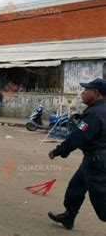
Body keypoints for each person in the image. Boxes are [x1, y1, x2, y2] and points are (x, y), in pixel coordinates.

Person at [47, 78, 106, 230]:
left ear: (96, 92)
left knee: (102, 202)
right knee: (76, 187)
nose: (82, 93)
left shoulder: (93, 113)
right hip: (94, 159)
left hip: (96, 161)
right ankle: (69, 216)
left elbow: (77, 137)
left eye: (86, 90)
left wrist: (58, 151)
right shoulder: (98, 110)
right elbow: (88, 128)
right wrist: (80, 120)